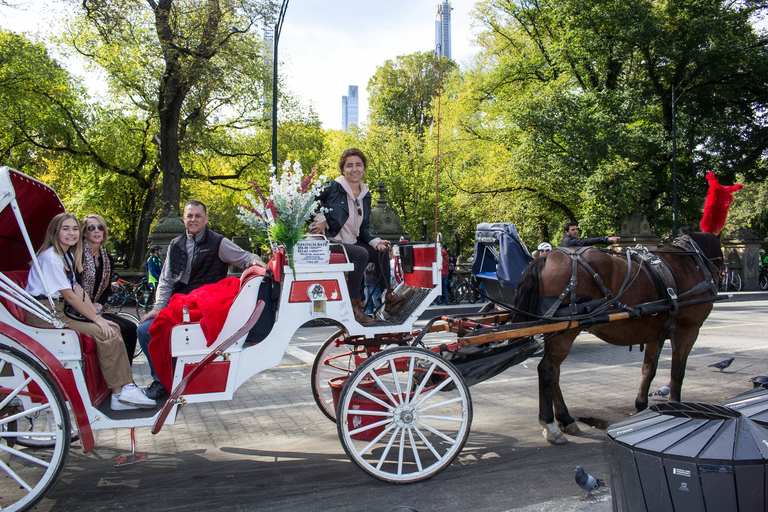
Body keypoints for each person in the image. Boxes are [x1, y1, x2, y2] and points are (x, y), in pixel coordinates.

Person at [137, 200, 267, 399]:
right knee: (144, 329)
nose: (193, 219)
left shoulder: (218, 242)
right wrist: (158, 307)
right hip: (179, 303)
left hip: (205, 304)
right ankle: (162, 380)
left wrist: (254, 260)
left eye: (198, 216)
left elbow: (244, 257)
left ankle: (170, 380)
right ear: (184, 219)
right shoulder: (175, 244)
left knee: (155, 330)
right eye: (189, 216)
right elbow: (165, 281)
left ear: (206, 219)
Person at [25, 213, 154, 411]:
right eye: (65, 229)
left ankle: (123, 389)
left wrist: (98, 317)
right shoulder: (51, 257)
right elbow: (69, 296)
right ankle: (120, 393)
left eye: (74, 228)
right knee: (107, 332)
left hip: (59, 310)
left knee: (113, 328)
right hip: (47, 315)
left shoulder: (65, 255)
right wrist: (97, 320)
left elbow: (78, 290)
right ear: (55, 232)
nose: (71, 233)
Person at [310, 148, 404, 326]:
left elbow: (364, 229)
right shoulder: (332, 187)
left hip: (351, 243)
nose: (354, 169)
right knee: (361, 253)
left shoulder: (365, 195)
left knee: (382, 251)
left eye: (358, 165)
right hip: (329, 241)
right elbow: (307, 199)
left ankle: (388, 298)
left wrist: (376, 242)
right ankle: (354, 306)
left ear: (364, 168)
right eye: (349, 165)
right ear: (343, 170)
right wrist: (320, 218)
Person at [79, 214, 138, 364]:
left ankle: (126, 375)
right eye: (91, 228)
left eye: (100, 227)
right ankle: (118, 376)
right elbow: (76, 286)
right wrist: (90, 306)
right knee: (119, 328)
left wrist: (99, 303)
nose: (96, 231)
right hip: (80, 308)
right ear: (85, 232)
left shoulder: (107, 258)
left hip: (99, 307)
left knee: (131, 328)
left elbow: (106, 288)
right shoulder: (77, 255)